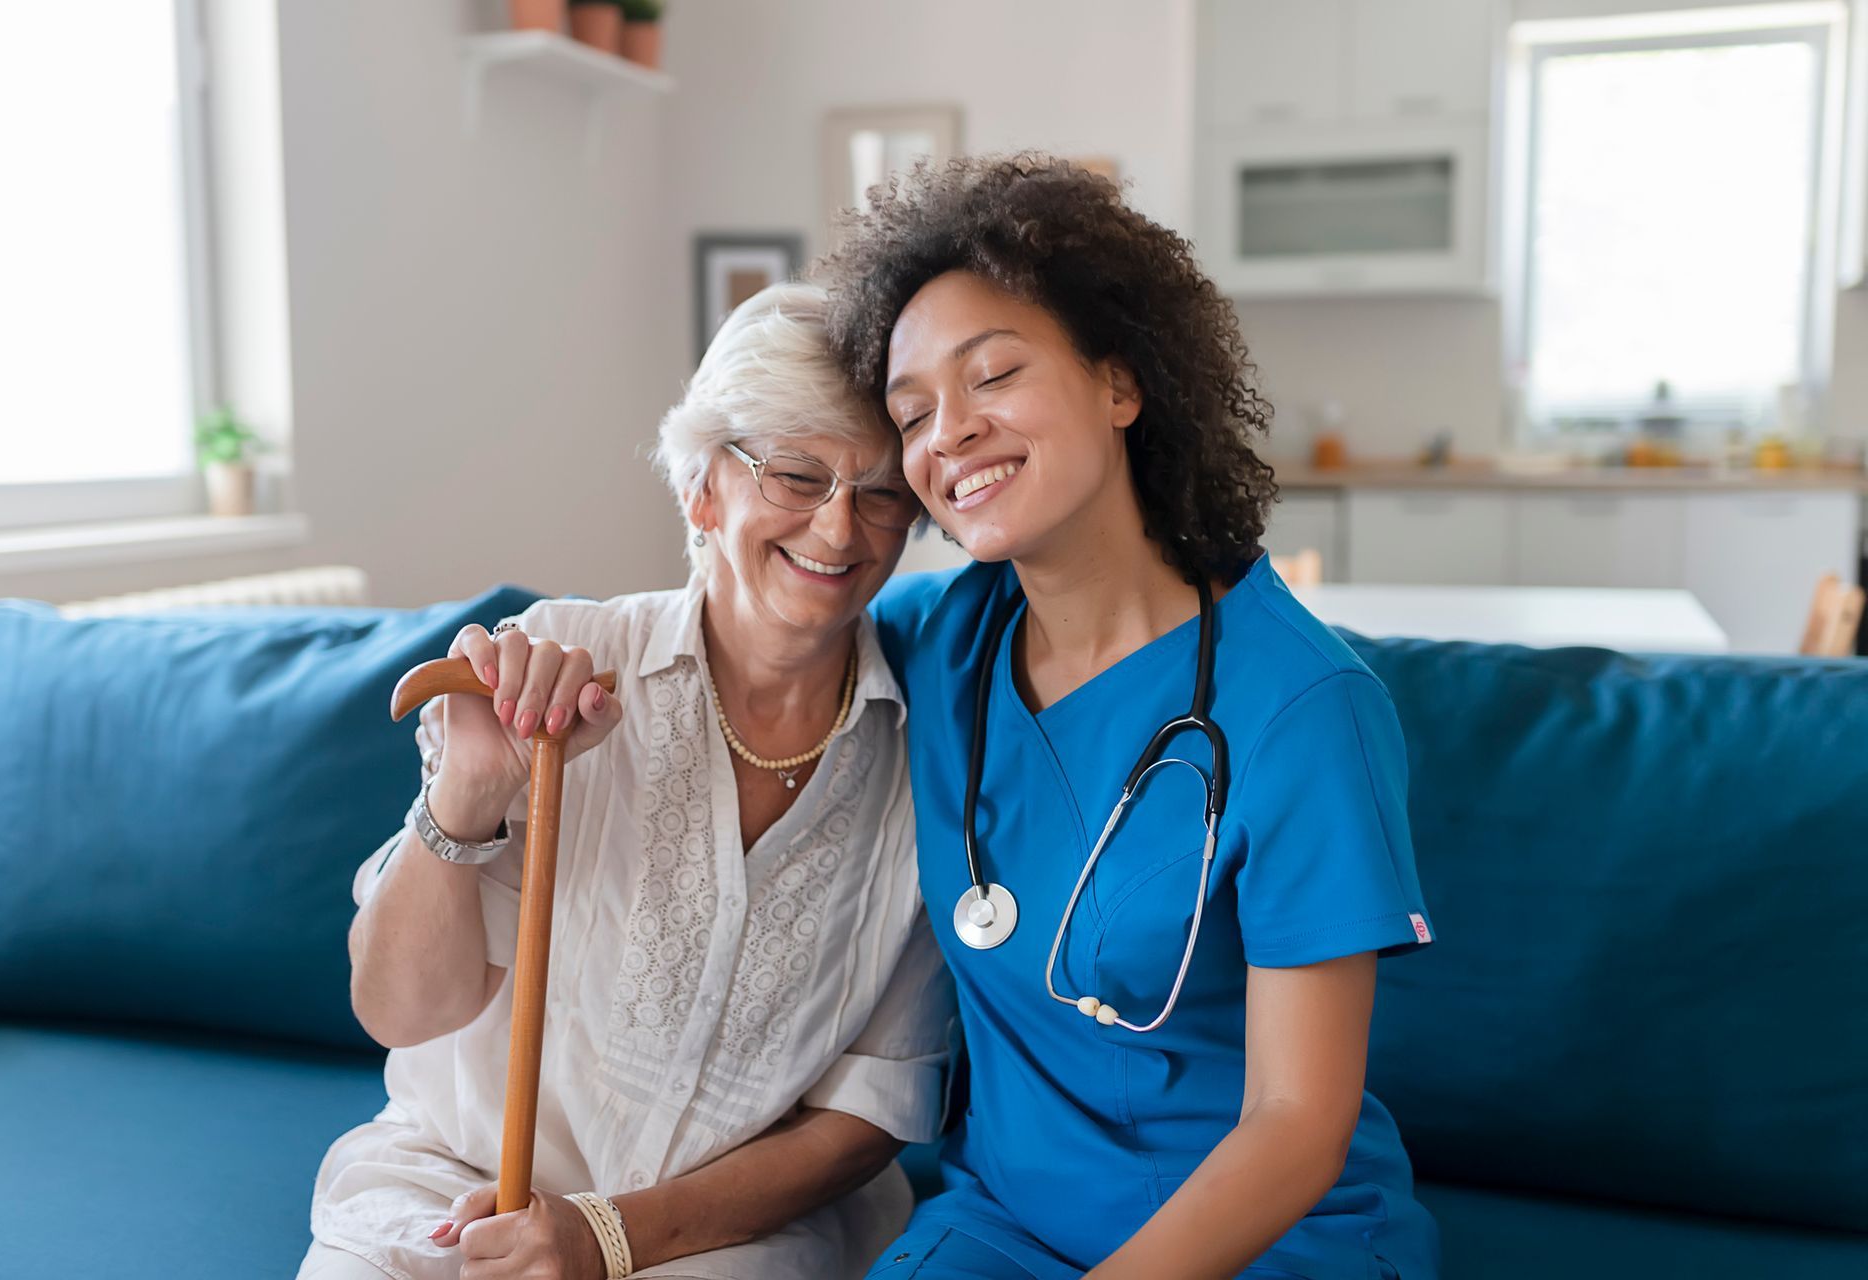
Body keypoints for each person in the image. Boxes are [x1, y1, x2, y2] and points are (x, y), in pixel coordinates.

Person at [822, 154, 1441, 1280]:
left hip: (1269, 1241)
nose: (947, 434)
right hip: (1003, 1225)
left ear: (1121, 382)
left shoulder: (1304, 709)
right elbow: (749, 633)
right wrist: (565, 647)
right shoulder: (938, 640)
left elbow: (1297, 1122)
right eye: (911, 415)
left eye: (994, 373)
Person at [298, 282, 954, 1280]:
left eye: (879, 493)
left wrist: (609, 1235)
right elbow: (397, 1009)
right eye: (795, 475)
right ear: (702, 489)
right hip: (456, 1188)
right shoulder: (558, 665)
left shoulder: (931, 749)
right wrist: (468, 790)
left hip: (715, 1232)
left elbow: (869, 1116)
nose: (838, 530)